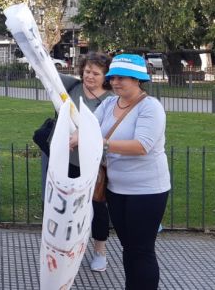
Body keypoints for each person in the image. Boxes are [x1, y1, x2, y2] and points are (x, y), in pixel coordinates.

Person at [85, 54, 170, 289]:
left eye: (122, 78)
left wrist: (102, 143)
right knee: (128, 247)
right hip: (116, 189)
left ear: (137, 80)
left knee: (141, 249)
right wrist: (73, 136)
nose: (115, 82)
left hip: (147, 191)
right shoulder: (110, 103)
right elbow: (89, 128)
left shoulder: (150, 107)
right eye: (113, 77)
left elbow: (142, 146)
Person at [56, 53, 114, 272]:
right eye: (87, 71)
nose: (90, 76)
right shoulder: (74, 87)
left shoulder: (110, 99)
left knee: (97, 207)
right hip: (69, 159)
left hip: (94, 163)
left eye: (96, 73)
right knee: (69, 206)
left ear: (105, 76)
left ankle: (100, 251)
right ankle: (69, 248)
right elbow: (48, 74)